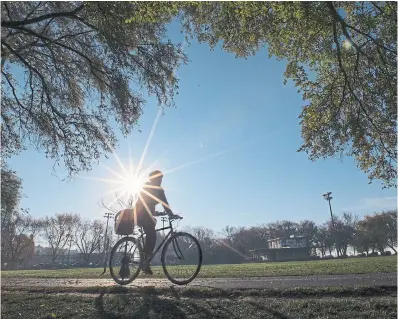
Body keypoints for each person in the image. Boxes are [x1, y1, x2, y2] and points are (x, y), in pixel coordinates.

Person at [116, 170, 174, 275]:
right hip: (140, 215)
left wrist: (168, 213)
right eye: (158, 178)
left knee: (150, 236)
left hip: (146, 215)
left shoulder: (159, 190)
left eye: (161, 178)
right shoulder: (147, 187)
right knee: (151, 235)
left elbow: (162, 204)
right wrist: (168, 213)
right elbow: (145, 204)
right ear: (152, 179)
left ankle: (145, 261)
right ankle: (145, 263)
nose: (160, 180)